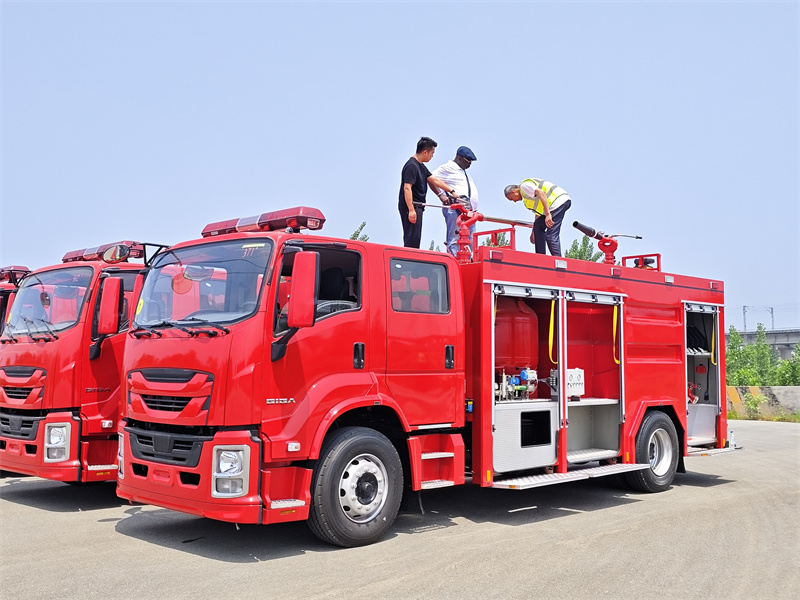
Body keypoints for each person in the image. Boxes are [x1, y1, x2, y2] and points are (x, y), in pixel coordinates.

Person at [398, 137, 458, 248]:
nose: (432, 156)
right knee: (412, 239)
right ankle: (410, 262)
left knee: (416, 238)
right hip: (412, 206)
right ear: (425, 152)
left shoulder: (421, 166)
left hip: (418, 207)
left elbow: (434, 180)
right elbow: (407, 188)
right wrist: (411, 209)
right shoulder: (411, 166)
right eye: (432, 153)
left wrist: (452, 191)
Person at [430, 146, 479, 256]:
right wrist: (441, 195)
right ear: (460, 158)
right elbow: (430, 178)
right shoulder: (448, 168)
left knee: (470, 240)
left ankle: (469, 262)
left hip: (469, 212)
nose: (470, 164)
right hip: (457, 210)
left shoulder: (463, 171)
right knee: (455, 238)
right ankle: (455, 261)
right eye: (468, 161)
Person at [505, 179, 572, 256]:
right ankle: (541, 256)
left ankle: (559, 261)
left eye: (511, 199)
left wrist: (547, 214)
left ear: (513, 192)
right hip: (553, 207)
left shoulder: (524, 187)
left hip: (558, 202)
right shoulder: (527, 200)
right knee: (538, 225)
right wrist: (534, 232)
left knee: (551, 235)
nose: (514, 201)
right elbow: (538, 213)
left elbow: (541, 193)